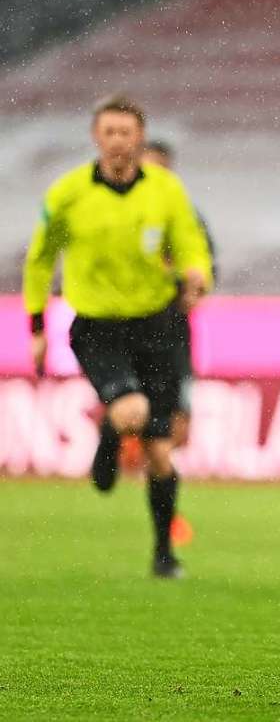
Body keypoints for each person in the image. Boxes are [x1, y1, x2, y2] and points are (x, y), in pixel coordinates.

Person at [23, 94, 213, 578]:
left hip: (156, 325)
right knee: (133, 410)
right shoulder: (68, 194)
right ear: (96, 137)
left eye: (126, 132)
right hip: (98, 328)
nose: (118, 141)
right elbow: (41, 258)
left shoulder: (165, 190)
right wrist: (38, 324)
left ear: (139, 138)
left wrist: (197, 274)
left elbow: (190, 240)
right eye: (109, 132)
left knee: (160, 450)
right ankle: (113, 427)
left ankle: (164, 555)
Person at [141, 139, 218, 448]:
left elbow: (206, 262)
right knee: (128, 405)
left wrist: (196, 289)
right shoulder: (117, 209)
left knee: (176, 403)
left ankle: (165, 466)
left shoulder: (186, 214)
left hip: (171, 324)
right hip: (125, 322)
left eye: (163, 169)